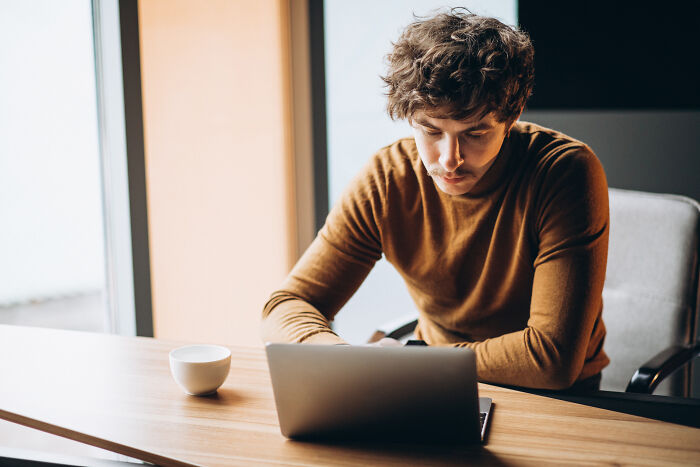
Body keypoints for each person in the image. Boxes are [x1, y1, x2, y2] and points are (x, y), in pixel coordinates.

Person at [261, 9, 609, 391]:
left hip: (558, 398)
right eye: (430, 131)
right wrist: (347, 359)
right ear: (410, 119)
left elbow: (551, 359)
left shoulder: (565, 173)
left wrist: (411, 360)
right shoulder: (388, 178)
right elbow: (287, 305)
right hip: (434, 381)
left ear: (511, 117)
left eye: (475, 134)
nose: (450, 159)